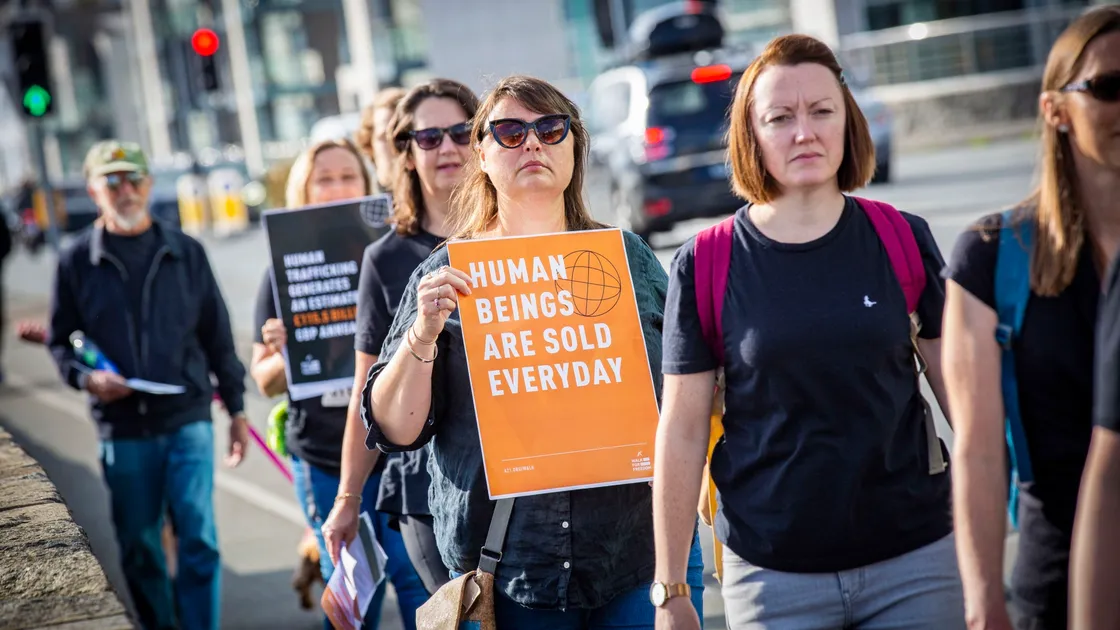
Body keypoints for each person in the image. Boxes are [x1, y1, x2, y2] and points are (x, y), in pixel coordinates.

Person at [358, 74, 705, 629]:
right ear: (482, 153)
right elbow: (396, 428)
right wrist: (422, 337)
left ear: (575, 146)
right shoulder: (445, 274)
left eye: (549, 127)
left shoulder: (629, 259)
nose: (534, 143)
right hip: (511, 574)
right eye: (510, 131)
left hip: (637, 555)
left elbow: (690, 385)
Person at [653, 34, 962, 630]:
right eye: (780, 117)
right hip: (772, 576)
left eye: (822, 111)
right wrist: (670, 590)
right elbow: (682, 429)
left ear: (848, 121)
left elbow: (965, 402)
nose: (804, 132)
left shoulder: (902, 238)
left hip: (916, 561)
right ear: (752, 136)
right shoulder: (705, 263)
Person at [943, 8, 1120, 630]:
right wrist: (983, 599)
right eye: (1108, 87)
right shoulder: (992, 255)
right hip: (1055, 580)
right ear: (1055, 110)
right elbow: (980, 452)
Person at [47, 140, 249, 630]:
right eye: (111, 181)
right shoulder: (76, 260)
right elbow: (60, 342)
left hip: (188, 420)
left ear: (149, 184)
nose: (124, 190)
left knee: (198, 537)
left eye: (132, 179)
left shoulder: (186, 251)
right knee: (139, 544)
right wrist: (86, 378)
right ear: (95, 191)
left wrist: (238, 411)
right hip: (123, 429)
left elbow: (218, 337)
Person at [248, 136, 429, 630]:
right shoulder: (281, 272)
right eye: (322, 178)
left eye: (347, 176)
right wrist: (286, 353)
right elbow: (263, 380)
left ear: (368, 184)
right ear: (303, 190)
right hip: (327, 457)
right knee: (353, 594)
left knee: (416, 583)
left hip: (399, 456)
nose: (335, 188)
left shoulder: (395, 256)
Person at [323, 79, 478, 595]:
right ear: (407, 154)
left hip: (512, 482)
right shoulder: (385, 259)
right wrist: (347, 499)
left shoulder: (516, 239)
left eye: (460, 132)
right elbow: (368, 387)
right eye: (429, 138)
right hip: (424, 488)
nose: (448, 147)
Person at [356, 86, 408, 193]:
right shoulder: (360, 202)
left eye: (403, 135)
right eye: (385, 137)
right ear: (369, 145)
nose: (396, 145)